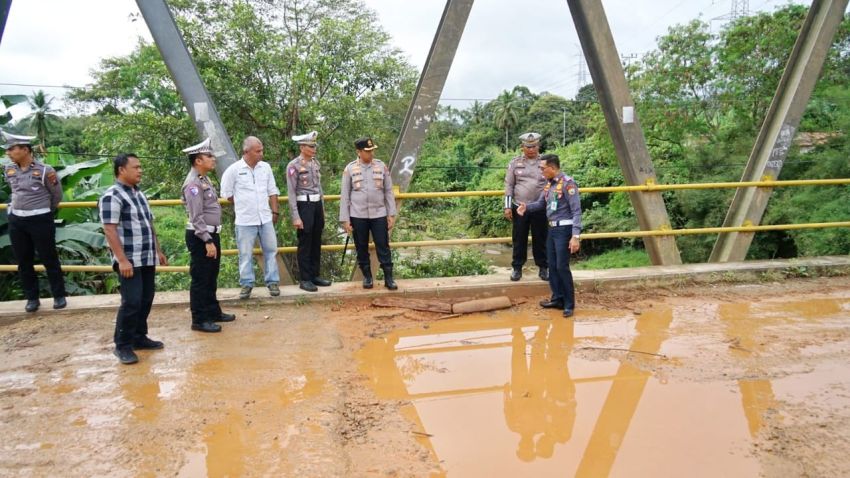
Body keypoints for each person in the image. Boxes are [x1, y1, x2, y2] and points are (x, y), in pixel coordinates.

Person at [99, 153, 168, 365]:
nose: (140, 170)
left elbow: (149, 224)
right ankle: (123, 345)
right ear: (121, 170)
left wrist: (158, 250)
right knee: (131, 302)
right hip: (129, 259)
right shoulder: (112, 196)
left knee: (146, 298)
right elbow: (109, 229)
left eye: (140, 167)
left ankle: (139, 337)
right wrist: (122, 260)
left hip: (146, 256)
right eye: (136, 167)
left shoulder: (139, 194)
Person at [2, 130, 67, 312]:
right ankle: (32, 298)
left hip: (40, 220)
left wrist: (44, 211)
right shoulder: (9, 169)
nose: (8, 152)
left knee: (49, 258)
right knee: (23, 261)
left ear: (25, 150)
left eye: (11, 149)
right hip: (17, 221)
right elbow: (14, 190)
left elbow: (56, 195)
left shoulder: (46, 170)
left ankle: (59, 296)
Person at [181, 138, 236, 333]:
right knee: (201, 279)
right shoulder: (193, 184)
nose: (213, 159)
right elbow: (196, 217)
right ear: (198, 161)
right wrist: (207, 240)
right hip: (201, 237)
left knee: (211, 276)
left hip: (211, 234)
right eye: (209, 156)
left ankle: (213, 311)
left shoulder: (204, 180)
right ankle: (199, 319)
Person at [517, 154, 582, 318]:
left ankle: (569, 304)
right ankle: (557, 298)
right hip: (552, 230)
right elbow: (541, 204)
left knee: (562, 266)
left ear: (552, 168)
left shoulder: (568, 184)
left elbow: (576, 211)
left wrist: (575, 236)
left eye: (542, 168)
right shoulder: (549, 184)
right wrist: (526, 207)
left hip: (564, 230)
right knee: (552, 265)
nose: (541, 171)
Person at [220, 136, 281, 299]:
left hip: (265, 218)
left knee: (271, 251)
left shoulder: (265, 168)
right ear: (246, 151)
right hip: (245, 220)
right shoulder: (233, 170)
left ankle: (272, 282)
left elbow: (272, 190)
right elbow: (226, 194)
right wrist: (244, 203)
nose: (261, 154)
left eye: (262, 150)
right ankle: (247, 284)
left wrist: (275, 212)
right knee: (245, 254)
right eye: (258, 151)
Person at [339, 137, 398, 290]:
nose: (371, 153)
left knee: (383, 245)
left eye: (372, 150)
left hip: (379, 214)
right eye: (367, 151)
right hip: (358, 215)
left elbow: (388, 191)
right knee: (361, 247)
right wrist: (345, 220)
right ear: (358, 152)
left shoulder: (381, 166)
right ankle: (367, 277)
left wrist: (391, 214)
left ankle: (389, 278)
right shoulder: (350, 169)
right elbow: (345, 195)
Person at [286, 131, 331, 292]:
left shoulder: (314, 163)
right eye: (311, 146)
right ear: (302, 147)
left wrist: (322, 209)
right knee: (305, 242)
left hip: (316, 205)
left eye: (314, 146)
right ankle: (305, 279)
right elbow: (291, 192)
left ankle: (314, 275)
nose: (314, 149)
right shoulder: (294, 165)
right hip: (304, 205)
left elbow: (319, 187)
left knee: (316, 241)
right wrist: (295, 216)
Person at [504, 132, 548, 282]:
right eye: (528, 147)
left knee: (541, 238)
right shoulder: (515, 163)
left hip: (540, 208)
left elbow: (551, 182)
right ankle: (517, 268)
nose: (531, 149)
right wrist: (507, 206)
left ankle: (543, 267)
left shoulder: (545, 162)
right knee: (519, 238)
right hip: (519, 207)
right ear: (522, 147)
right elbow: (509, 185)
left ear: (538, 146)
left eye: (534, 146)